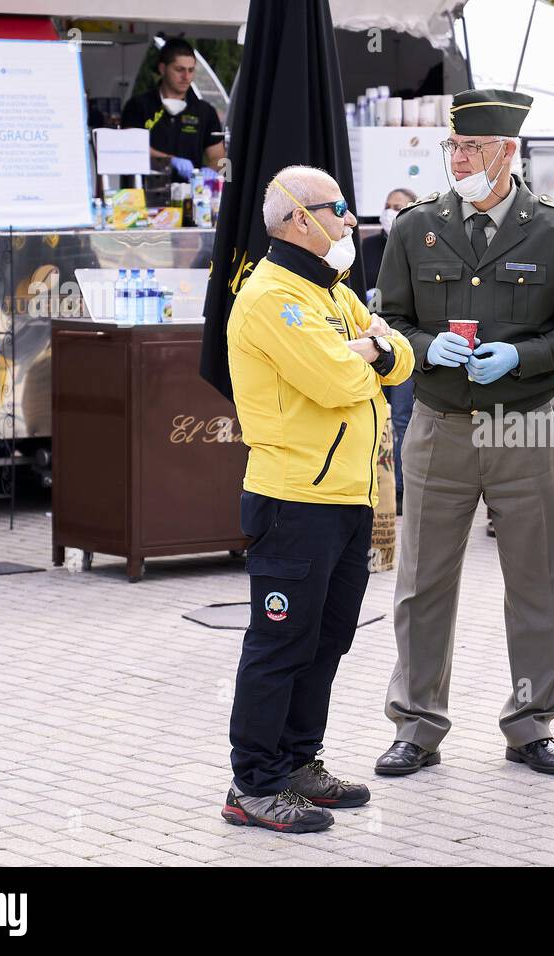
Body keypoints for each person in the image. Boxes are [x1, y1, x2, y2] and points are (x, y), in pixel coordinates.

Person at [373, 88, 554, 777]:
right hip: (440, 423)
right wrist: (423, 344)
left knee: (536, 579)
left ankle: (531, 722)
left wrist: (523, 356)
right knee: (421, 582)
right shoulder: (415, 230)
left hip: (523, 423)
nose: (458, 158)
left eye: (471, 148)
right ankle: (416, 724)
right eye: (452, 147)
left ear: (508, 153)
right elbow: (388, 322)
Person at [221, 165, 414, 833]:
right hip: (293, 500)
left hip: (348, 498)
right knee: (280, 643)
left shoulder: (331, 291)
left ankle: (300, 762)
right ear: (300, 219)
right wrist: (367, 353)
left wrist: (369, 349)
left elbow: (402, 358)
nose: (350, 220)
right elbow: (336, 380)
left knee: (327, 640)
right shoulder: (272, 297)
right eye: (338, 207)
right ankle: (253, 783)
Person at [364, 187, 419, 511]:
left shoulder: (419, 243)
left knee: (401, 417)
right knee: (375, 415)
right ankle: (377, 485)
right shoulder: (369, 246)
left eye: (398, 206)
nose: (390, 210)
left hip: (402, 344)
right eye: (387, 205)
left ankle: (399, 488)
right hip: (369, 342)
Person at [121, 37, 225, 184]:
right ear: (162, 69)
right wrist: (170, 160)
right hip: (142, 194)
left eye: (191, 70)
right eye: (179, 70)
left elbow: (219, 157)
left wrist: (210, 171)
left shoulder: (205, 111)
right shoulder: (138, 105)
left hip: (189, 195)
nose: (186, 77)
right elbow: (130, 145)